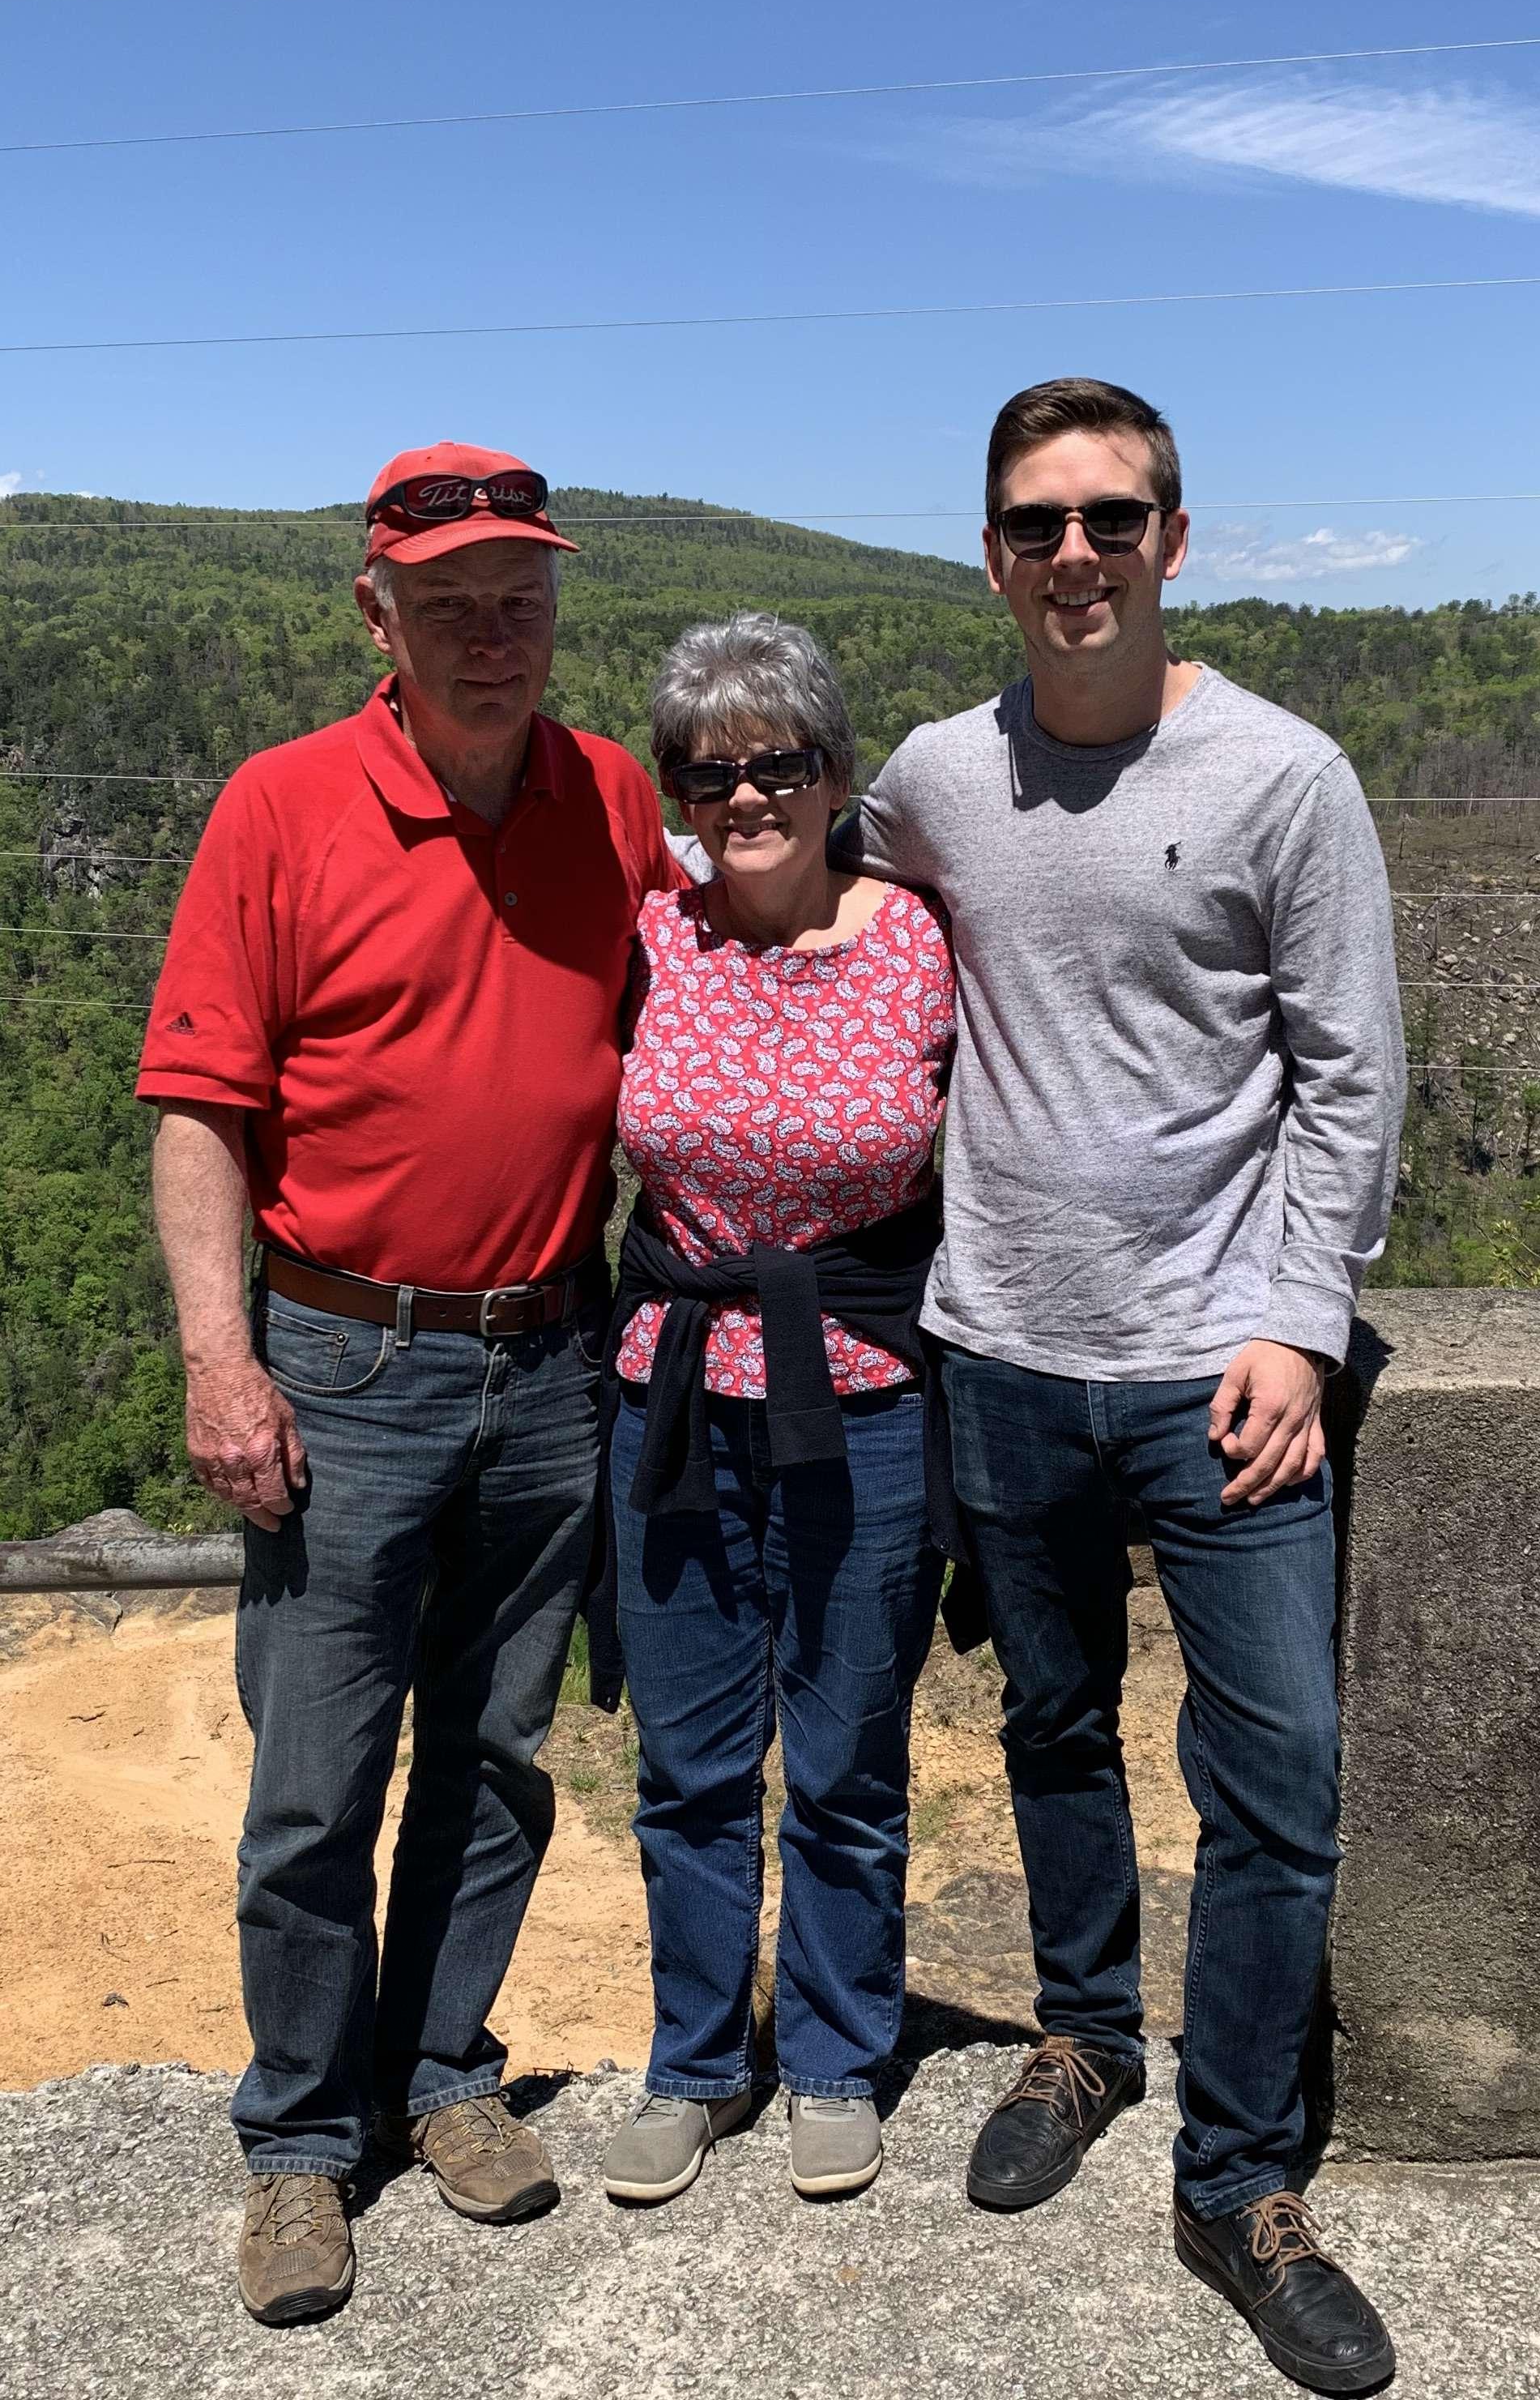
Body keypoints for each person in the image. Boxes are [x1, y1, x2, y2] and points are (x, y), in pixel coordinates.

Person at [842, 380, 1406, 2395]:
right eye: (1035, 524)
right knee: (1053, 1729)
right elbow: (766, 865)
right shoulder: (935, 774)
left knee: (1280, 1782)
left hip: (1219, 1376)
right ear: (989, 556)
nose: (1073, 554)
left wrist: (1299, 1318)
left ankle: (1239, 2173)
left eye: (1110, 519)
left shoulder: (1283, 779)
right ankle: (1086, 2038)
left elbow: (1351, 1072)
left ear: (1176, 538)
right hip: (998, 1349)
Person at [137, 442, 680, 2326]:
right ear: (377, 613)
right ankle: (300, 2139)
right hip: (340, 1357)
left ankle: (444, 2075)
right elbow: (203, 1109)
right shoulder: (281, 807)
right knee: (315, 1778)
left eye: (521, 597)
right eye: (448, 603)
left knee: (502, 1753)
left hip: (549, 1351)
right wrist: (224, 1361)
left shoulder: (610, 796)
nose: (492, 632)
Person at [596, 613, 954, 2208]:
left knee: (848, 1754)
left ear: (834, 770)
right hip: (667, 1397)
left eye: (779, 765)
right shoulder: (649, 931)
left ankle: (829, 2052)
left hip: (862, 1400)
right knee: (685, 1763)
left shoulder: (921, 938)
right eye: (707, 771)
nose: (744, 797)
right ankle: (694, 2061)